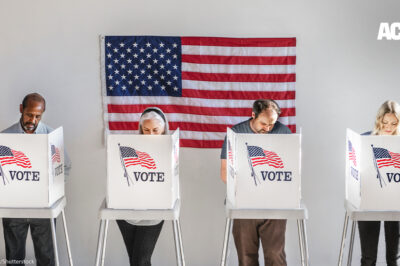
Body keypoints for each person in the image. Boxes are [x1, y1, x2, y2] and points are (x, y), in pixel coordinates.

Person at [1, 92, 72, 266]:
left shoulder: (52, 136)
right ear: (21, 110)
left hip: (43, 207)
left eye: (37, 116)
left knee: (46, 257)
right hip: (14, 208)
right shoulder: (5, 137)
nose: (32, 120)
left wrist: (55, 190)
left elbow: (66, 166)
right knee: (14, 259)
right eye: (29, 115)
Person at [220, 99, 291, 266]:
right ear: (253, 115)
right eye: (263, 123)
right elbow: (224, 173)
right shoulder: (235, 133)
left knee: (275, 256)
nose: (267, 128)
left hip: (275, 205)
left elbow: (292, 170)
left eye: (271, 124)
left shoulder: (284, 133)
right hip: (244, 203)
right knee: (246, 258)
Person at [116, 107, 168, 266]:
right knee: (135, 261)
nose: (150, 135)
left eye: (155, 130)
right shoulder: (129, 149)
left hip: (153, 213)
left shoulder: (168, 150)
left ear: (163, 129)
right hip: (126, 213)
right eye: (146, 130)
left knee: (141, 260)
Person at [358, 100, 400, 266]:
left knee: (394, 258)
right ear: (378, 120)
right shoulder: (364, 139)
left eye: (394, 123)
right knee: (368, 258)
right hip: (369, 200)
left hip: (395, 202)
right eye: (385, 122)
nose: (388, 127)